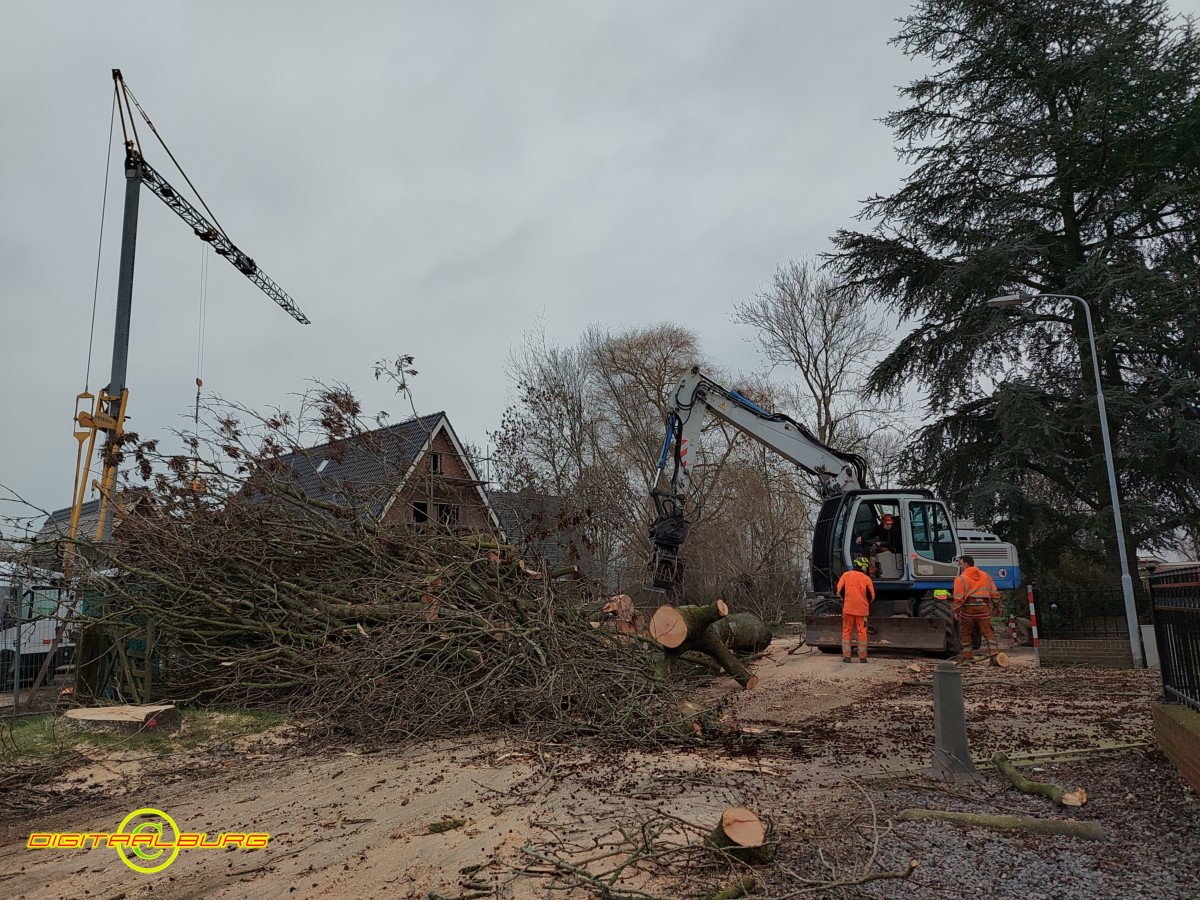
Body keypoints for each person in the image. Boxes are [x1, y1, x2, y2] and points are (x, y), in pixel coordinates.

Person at [952, 555, 1000, 660]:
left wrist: (956, 611)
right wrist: (997, 607)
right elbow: (994, 593)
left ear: (966, 564)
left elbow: (958, 597)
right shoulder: (986, 576)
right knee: (987, 631)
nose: (960, 566)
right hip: (983, 608)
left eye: (960, 564)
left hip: (968, 609)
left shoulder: (961, 578)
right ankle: (995, 655)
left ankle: (967, 656)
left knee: (966, 632)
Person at [836, 557, 875, 663]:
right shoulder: (867, 579)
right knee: (862, 632)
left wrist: (847, 600)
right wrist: (864, 603)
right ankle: (862, 657)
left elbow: (839, 591)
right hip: (862, 611)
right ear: (864, 567)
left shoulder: (845, 575)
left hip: (848, 609)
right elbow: (871, 596)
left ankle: (847, 657)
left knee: (846, 631)